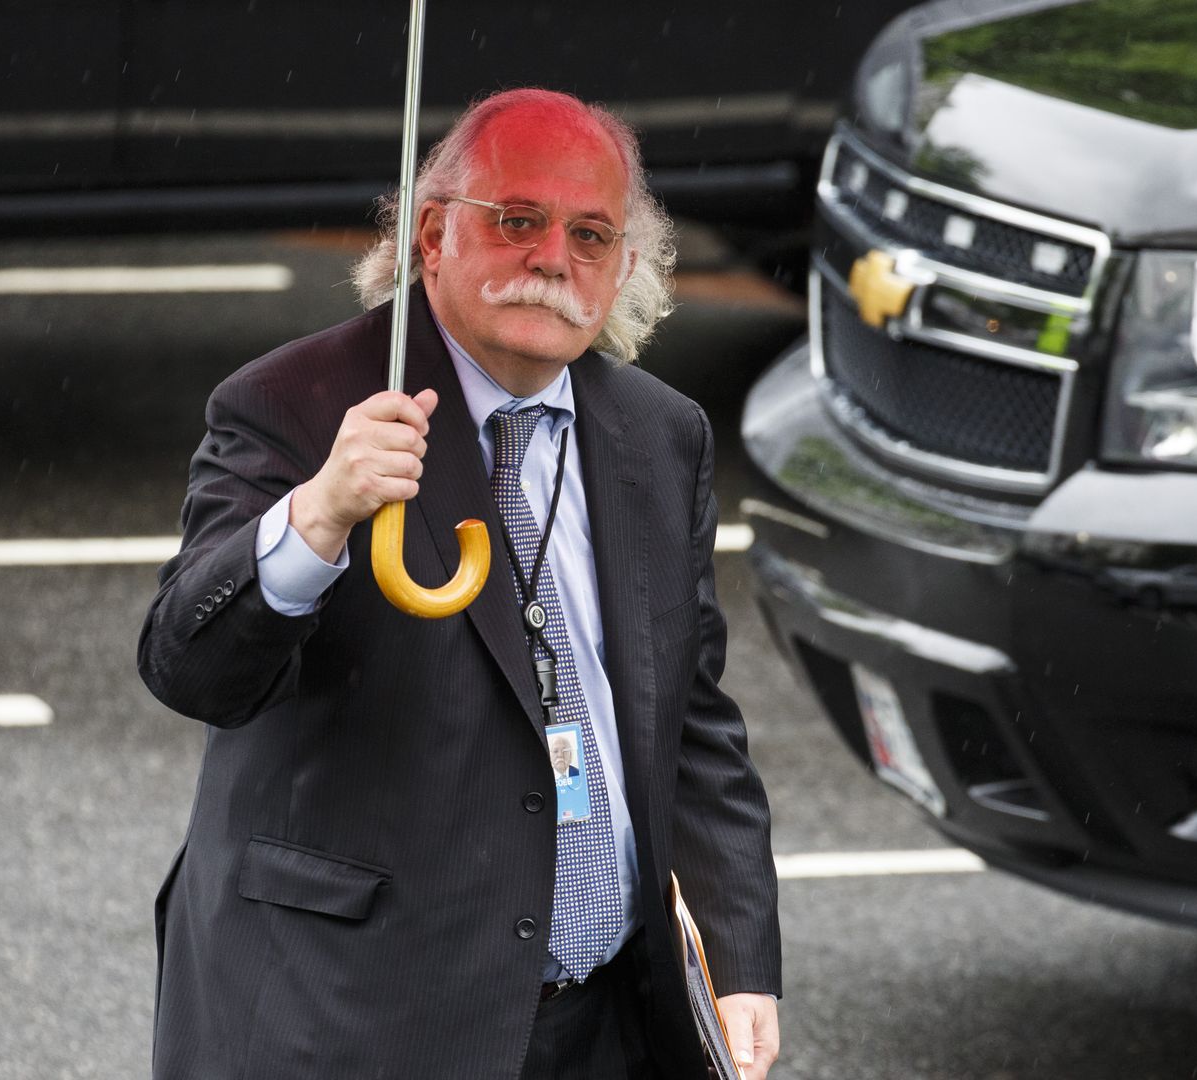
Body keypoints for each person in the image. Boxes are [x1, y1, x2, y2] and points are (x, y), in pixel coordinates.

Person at [138, 87, 781, 1080]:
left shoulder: (661, 435)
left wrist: (738, 962)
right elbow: (190, 667)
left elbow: (689, 722)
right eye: (519, 221)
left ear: (625, 268)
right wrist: (320, 515)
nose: (554, 259)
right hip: (353, 1021)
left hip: (605, 1022)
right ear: (433, 236)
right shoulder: (296, 406)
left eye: (592, 234)